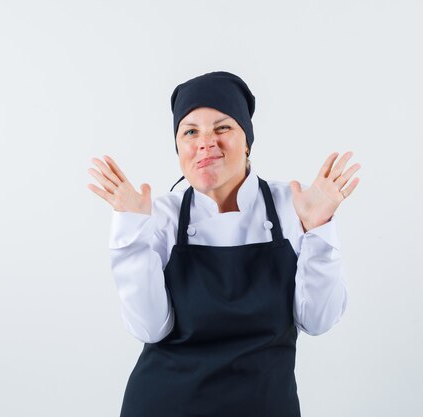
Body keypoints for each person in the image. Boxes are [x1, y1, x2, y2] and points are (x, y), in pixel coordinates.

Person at [87, 71, 360, 417]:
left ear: (247, 141)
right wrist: (131, 233)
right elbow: (149, 328)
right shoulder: (161, 217)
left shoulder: (295, 207)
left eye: (222, 128)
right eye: (190, 132)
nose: (205, 143)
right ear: (178, 149)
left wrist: (319, 229)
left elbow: (318, 320)